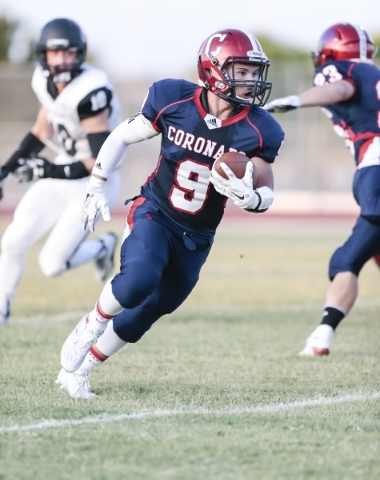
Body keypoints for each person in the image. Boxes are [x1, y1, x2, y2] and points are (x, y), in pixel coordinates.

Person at [55, 28, 285, 398]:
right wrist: (96, 183)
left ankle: (82, 370)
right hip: (156, 212)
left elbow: (267, 189)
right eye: (240, 71)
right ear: (213, 69)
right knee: (139, 280)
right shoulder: (173, 98)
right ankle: (91, 322)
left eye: (253, 72)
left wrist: (250, 198)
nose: (250, 81)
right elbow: (121, 136)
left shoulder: (259, 128)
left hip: (197, 237)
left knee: (152, 309)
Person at [264, 23, 380, 356]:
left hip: (375, 165)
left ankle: (320, 336)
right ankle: (322, 335)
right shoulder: (373, 75)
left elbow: (341, 88)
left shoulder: (344, 71)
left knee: (345, 259)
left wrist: (297, 101)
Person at [0, 18, 124, 325]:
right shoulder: (44, 81)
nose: (64, 59)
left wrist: (47, 168)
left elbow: (99, 160)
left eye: (70, 52)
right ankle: (2, 307)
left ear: (80, 54)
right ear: (44, 55)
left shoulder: (91, 90)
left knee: (52, 264)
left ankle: (102, 247)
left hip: (96, 182)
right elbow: (42, 130)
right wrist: (4, 171)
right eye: (57, 53)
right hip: (64, 170)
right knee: (13, 240)